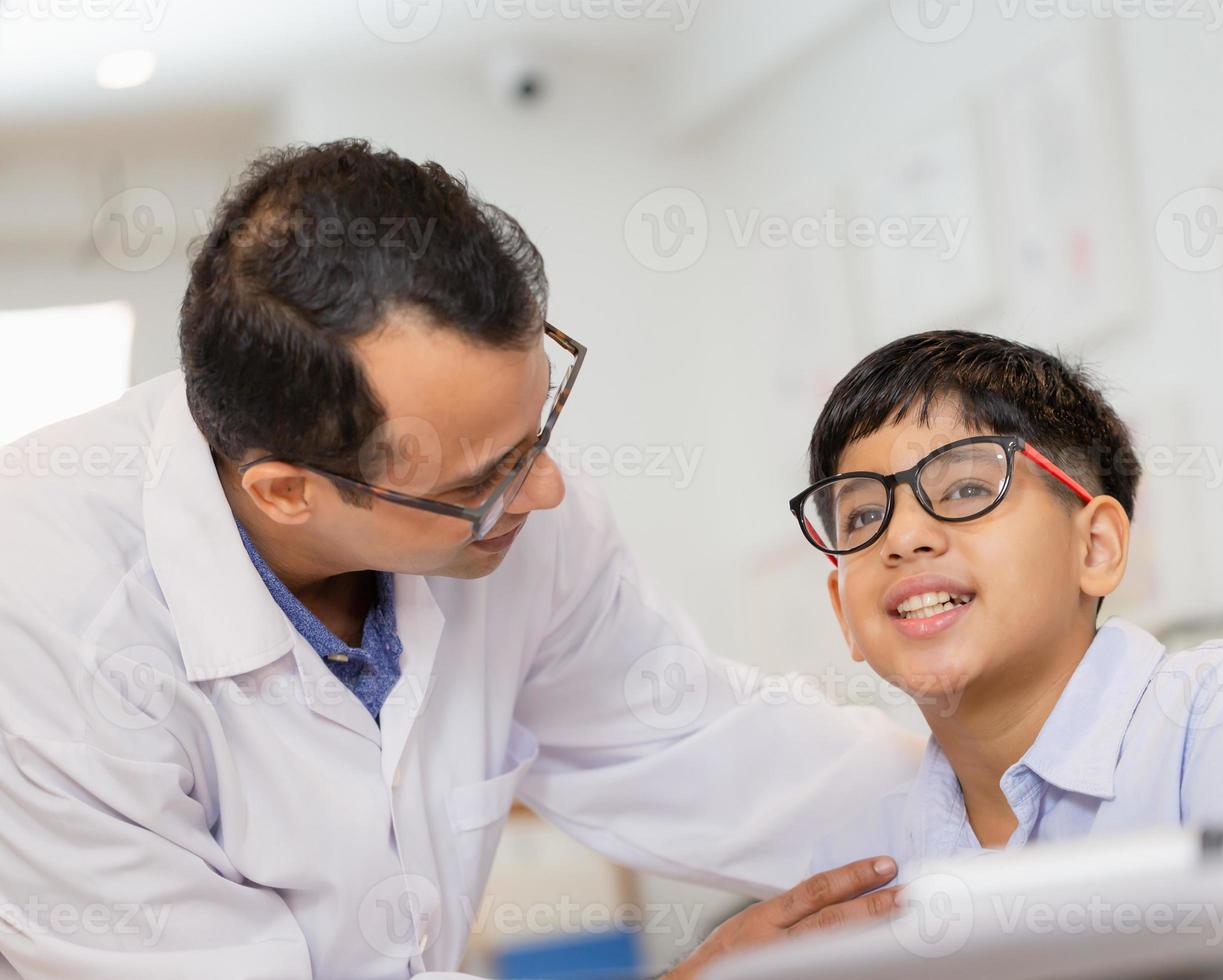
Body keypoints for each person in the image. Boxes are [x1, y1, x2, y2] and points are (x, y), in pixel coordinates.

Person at [0, 141, 922, 979]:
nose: (546, 491)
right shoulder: (50, 631)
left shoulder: (509, 503)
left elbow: (702, 744)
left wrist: (1012, 803)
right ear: (286, 490)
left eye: (538, 429)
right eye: (485, 479)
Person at [789, 330, 1223, 877]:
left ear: (1096, 547)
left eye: (968, 487)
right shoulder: (855, 866)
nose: (903, 538)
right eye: (864, 515)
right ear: (844, 613)